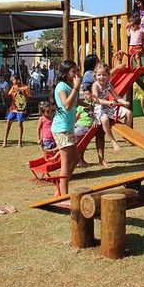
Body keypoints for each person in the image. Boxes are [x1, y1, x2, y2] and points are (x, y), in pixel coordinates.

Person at [51, 59, 82, 203]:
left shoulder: (69, 86)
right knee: (66, 162)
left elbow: (74, 102)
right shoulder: (61, 86)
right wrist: (76, 87)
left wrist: (87, 102)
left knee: (75, 160)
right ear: (65, 73)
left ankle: (59, 189)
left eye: (77, 70)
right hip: (61, 129)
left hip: (68, 128)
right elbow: (67, 105)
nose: (76, 74)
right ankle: (64, 196)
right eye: (73, 71)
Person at [92, 62, 133, 152]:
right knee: (105, 120)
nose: (101, 77)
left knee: (129, 113)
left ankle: (126, 134)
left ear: (108, 76)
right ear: (95, 75)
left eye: (104, 75)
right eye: (99, 75)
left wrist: (123, 102)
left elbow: (116, 96)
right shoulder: (95, 85)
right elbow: (96, 100)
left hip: (109, 107)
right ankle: (113, 141)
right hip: (100, 108)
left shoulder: (109, 85)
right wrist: (108, 102)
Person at [2, 74, 31, 147]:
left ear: (18, 80)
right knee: (8, 121)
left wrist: (23, 92)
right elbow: (7, 95)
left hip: (21, 108)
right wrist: (2, 92)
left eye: (13, 80)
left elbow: (28, 100)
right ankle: (5, 142)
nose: (12, 81)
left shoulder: (25, 88)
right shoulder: (13, 87)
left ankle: (19, 142)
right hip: (13, 108)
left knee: (19, 123)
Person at [74, 85, 97, 167]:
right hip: (78, 124)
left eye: (88, 94)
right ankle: (77, 160)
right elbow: (76, 117)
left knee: (75, 140)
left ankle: (76, 160)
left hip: (84, 126)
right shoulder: (82, 105)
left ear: (92, 94)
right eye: (85, 94)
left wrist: (95, 120)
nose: (86, 96)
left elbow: (98, 113)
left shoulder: (94, 103)